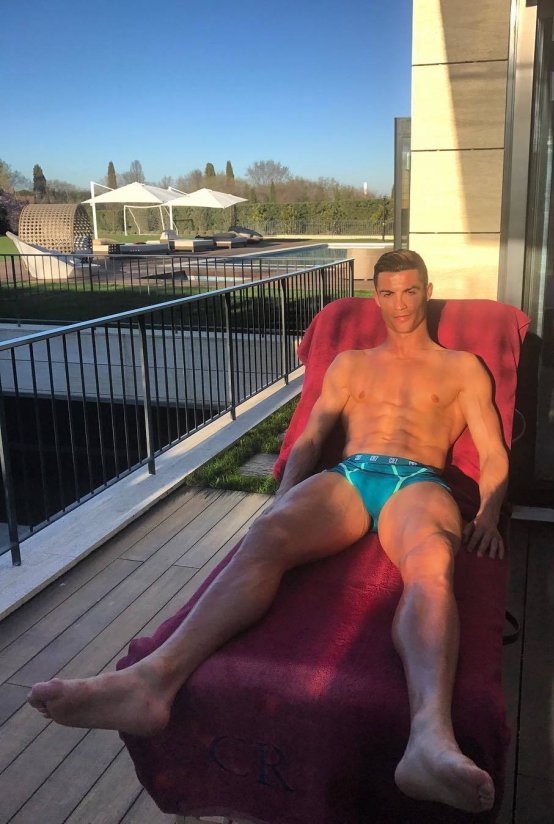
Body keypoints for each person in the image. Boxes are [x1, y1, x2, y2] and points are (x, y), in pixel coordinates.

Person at [28, 250, 509, 815]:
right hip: (351, 475)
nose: (400, 304)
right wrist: (283, 497)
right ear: (375, 297)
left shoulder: (461, 367)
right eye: (387, 292)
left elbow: (493, 453)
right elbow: (312, 437)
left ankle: (430, 738)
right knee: (268, 535)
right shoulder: (351, 365)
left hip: (418, 481)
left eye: (409, 291)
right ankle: (152, 681)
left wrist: (488, 516)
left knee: (432, 566)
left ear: (427, 290)